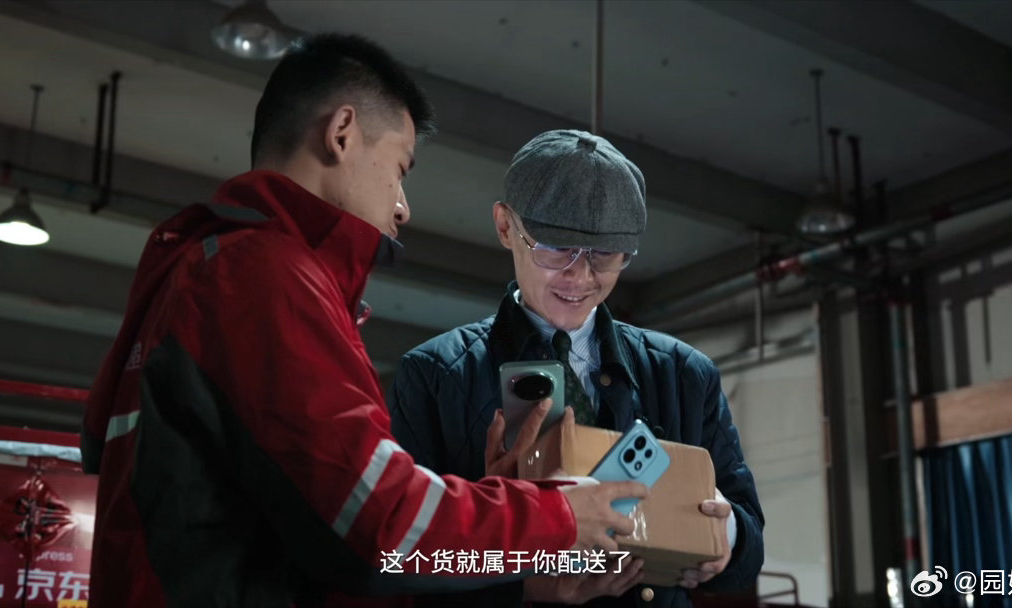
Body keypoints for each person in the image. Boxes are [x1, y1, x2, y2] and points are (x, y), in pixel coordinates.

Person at [80, 35, 648, 607]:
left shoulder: (201, 269)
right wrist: (557, 517)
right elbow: (380, 525)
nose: (403, 206)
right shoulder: (261, 276)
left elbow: (326, 542)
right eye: (400, 169)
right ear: (342, 133)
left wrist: (518, 574)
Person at [389, 130, 765, 607]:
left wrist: (725, 536)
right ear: (505, 226)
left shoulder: (684, 374)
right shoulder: (437, 376)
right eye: (555, 248)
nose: (580, 276)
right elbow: (399, 556)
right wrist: (522, 581)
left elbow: (750, 549)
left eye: (604, 254)